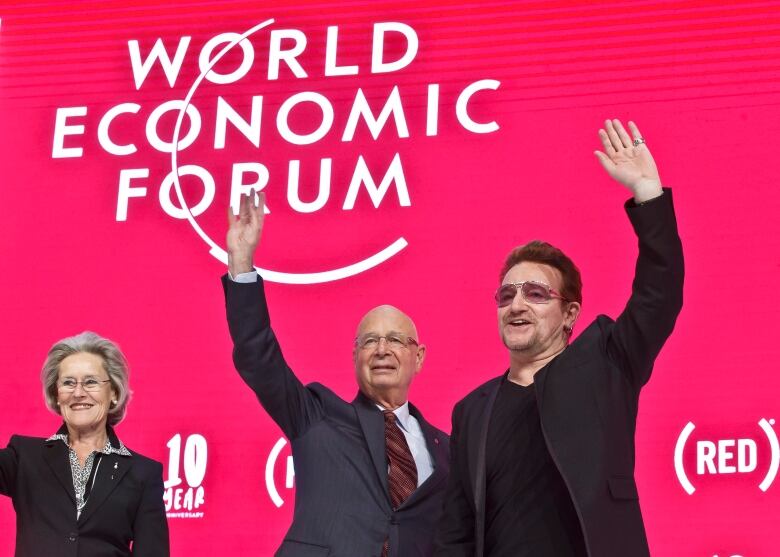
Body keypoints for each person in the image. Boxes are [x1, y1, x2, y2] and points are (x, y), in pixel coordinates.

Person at [434, 119, 684, 557]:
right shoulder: (472, 411)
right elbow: (456, 531)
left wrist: (648, 193)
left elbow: (658, 296)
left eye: (536, 294)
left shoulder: (606, 362)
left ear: (570, 314)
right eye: (506, 295)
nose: (517, 305)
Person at [222, 192, 450, 557]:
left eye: (394, 340)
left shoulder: (448, 450)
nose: (381, 349)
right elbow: (257, 356)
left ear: (418, 356)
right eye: (369, 341)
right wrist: (242, 265)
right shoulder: (317, 415)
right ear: (355, 355)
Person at [0, 331, 170, 557]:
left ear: (114, 393)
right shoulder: (24, 456)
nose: (78, 393)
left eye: (91, 382)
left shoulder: (144, 473)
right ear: (57, 395)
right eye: (68, 383)